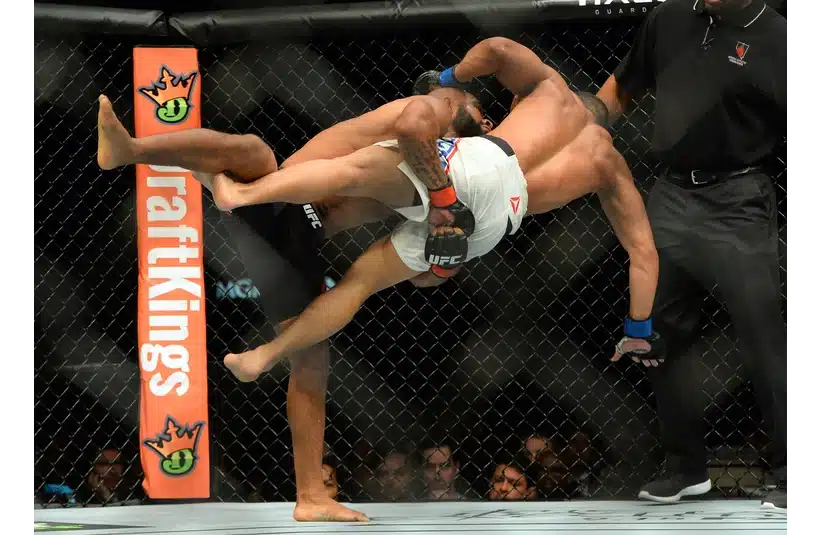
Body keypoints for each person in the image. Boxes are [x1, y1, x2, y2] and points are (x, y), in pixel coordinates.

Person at [96, 87, 487, 522]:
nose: (485, 125)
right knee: (254, 152)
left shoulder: (448, 173)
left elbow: (422, 275)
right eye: (480, 113)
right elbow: (416, 128)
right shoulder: (425, 117)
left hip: (295, 236)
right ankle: (137, 151)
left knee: (312, 361)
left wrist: (442, 264)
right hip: (286, 206)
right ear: (452, 101)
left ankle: (311, 496)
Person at [215, 36, 662, 387]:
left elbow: (499, 49)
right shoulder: (610, 165)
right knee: (363, 283)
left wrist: (449, 74)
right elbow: (642, 252)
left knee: (354, 168)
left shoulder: (550, 90)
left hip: (483, 163)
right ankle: (266, 356)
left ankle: (243, 196)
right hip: (495, 223)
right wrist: (638, 328)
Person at [596, 0, 791, 510]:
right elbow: (622, 85)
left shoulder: (776, 37)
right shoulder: (669, 17)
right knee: (659, 331)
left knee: (761, 335)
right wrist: (587, 130)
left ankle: (791, 470)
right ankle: (685, 468)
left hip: (739, 197)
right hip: (672, 194)